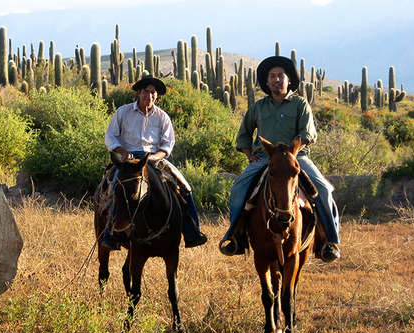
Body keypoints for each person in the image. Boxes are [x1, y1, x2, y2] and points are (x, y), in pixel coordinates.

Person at [219, 56, 341, 262]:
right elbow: (244, 134)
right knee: (238, 189)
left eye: (280, 76)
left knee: (323, 190)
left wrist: (292, 152)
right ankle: (235, 237)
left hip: (296, 158)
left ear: (289, 80)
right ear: (266, 82)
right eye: (272, 76)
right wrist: (250, 155)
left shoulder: (300, 104)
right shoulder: (258, 107)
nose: (276, 80)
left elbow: (308, 134)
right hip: (265, 159)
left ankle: (330, 240)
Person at [101, 76, 208, 249]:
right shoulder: (123, 112)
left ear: (156, 96)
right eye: (145, 92)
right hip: (127, 159)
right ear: (139, 92)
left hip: (154, 159)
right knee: (115, 188)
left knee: (184, 187)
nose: (149, 96)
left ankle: (192, 232)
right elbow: (110, 136)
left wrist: (154, 157)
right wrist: (123, 152)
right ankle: (112, 233)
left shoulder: (162, 117)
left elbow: (167, 145)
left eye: (152, 93)